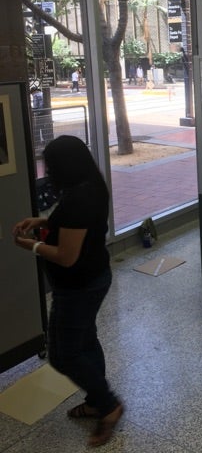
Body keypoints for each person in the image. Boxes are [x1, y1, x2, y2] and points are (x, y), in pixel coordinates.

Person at [12, 135, 123, 447]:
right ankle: (96, 400)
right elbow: (72, 228)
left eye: (51, 166)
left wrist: (31, 245)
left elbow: (66, 255)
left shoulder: (78, 200)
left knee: (63, 355)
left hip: (77, 286)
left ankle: (108, 404)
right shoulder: (91, 186)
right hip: (95, 277)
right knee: (86, 341)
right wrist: (41, 221)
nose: (48, 172)